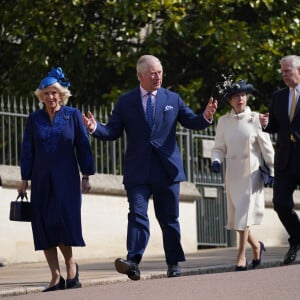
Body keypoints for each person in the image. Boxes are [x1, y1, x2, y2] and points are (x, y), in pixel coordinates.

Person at [82, 54, 218, 279]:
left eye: (160, 72)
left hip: (167, 170)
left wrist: (205, 116)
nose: (157, 77)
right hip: (138, 171)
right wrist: (95, 127)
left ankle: (173, 263)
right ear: (140, 75)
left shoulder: (172, 99)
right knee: (137, 214)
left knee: (169, 219)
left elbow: (191, 121)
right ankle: (133, 261)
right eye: (152, 73)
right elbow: (112, 131)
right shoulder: (126, 101)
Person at [17, 67, 95, 292]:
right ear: (41, 96)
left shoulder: (72, 115)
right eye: (46, 93)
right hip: (41, 180)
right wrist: (24, 179)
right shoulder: (34, 119)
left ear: (61, 94)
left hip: (67, 180)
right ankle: (55, 276)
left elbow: (83, 146)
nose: (50, 97)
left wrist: (86, 175)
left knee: (61, 223)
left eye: (54, 92)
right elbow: (27, 150)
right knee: (43, 225)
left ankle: (71, 267)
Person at [211, 78, 274, 271]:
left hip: (251, 174)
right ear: (230, 100)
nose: (240, 99)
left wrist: (273, 170)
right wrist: (216, 160)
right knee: (239, 217)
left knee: (243, 216)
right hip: (233, 175)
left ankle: (241, 256)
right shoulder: (223, 121)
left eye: (243, 95)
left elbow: (267, 148)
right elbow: (219, 147)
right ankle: (256, 246)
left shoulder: (256, 118)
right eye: (236, 96)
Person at [259, 54, 300, 265]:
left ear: (299, 71)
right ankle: (297, 237)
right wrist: (266, 123)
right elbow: (275, 126)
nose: (284, 74)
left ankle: (295, 243)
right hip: (285, 159)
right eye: (282, 71)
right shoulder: (278, 96)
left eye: (288, 70)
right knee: (280, 203)